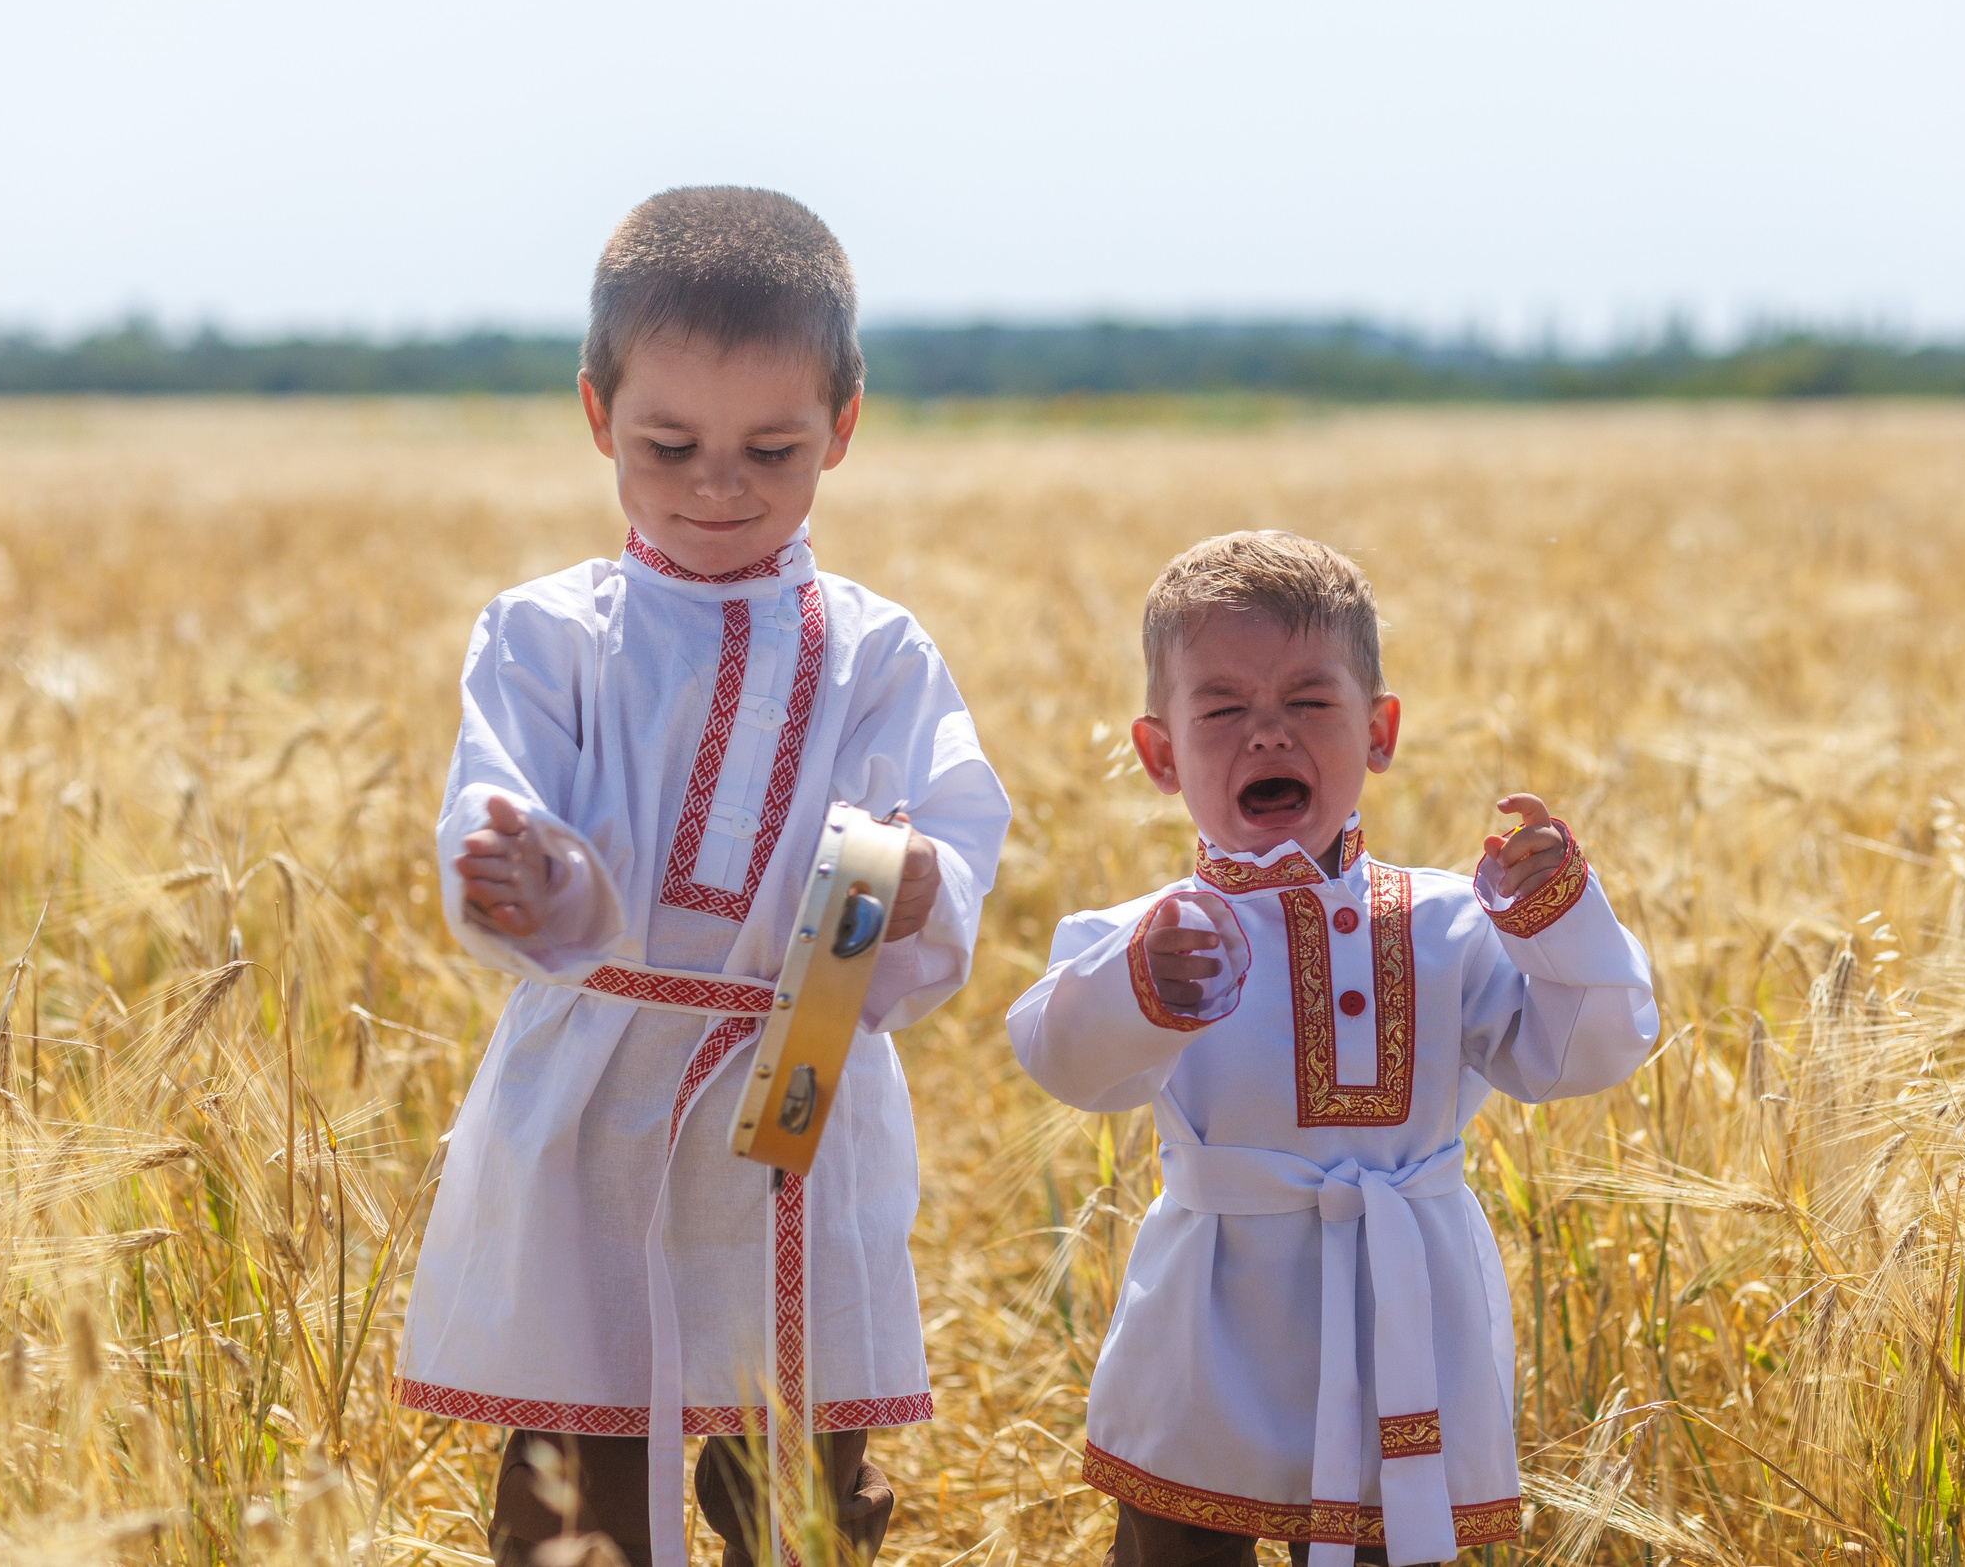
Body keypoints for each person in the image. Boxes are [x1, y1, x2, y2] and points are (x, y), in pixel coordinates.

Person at [398, 187, 1011, 1567]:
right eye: (669, 445)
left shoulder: (881, 653)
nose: (717, 485)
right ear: (597, 413)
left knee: (800, 1493)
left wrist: (926, 877)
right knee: (573, 1488)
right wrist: (518, 872)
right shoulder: (545, 636)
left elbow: (954, 824)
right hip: (589, 1105)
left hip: (800, 1089)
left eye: (771, 449)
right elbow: (495, 808)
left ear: (842, 424)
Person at [1008, 531, 1656, 1567]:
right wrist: (1142, 986)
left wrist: (1558, 921)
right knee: (1180, 1546)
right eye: (1222, 710)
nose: (1267, 733)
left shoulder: (1454, 923)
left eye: (1309, 702)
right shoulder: (1144, 934)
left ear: (1379, 730)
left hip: (1404, 1313)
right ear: (1160, 754)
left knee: (1388, 1538)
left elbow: (1582, 1053)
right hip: (1213, 1318)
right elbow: (1064, 1060)